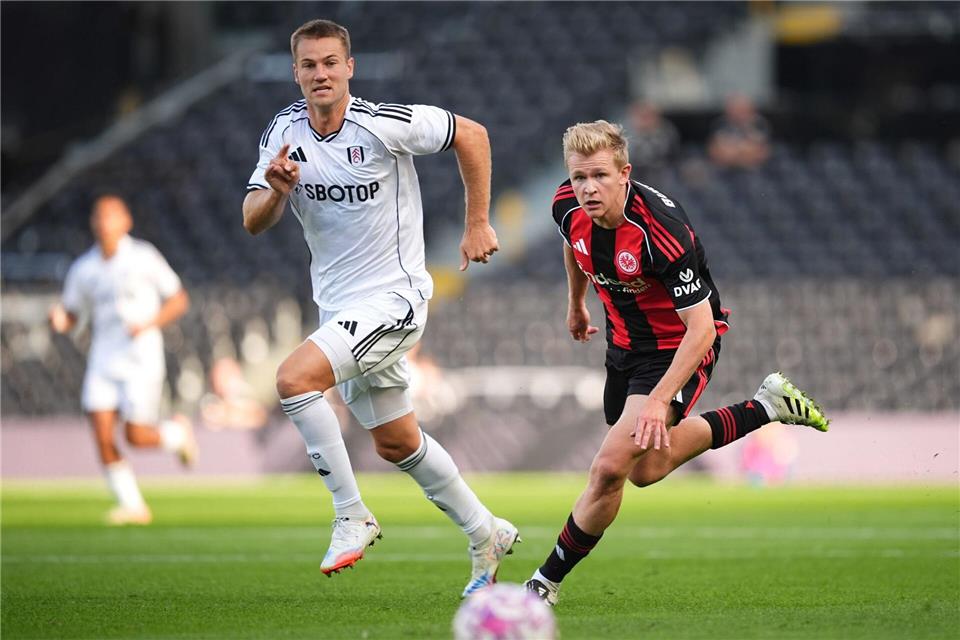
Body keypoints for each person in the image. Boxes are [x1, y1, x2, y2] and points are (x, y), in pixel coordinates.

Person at [242, 18, 518, 596]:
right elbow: (253, 221)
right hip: (341, 310)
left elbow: (473, 134)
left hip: (396, 299)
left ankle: (351, 514)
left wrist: (476, 222)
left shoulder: (381, 124)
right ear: (295, 73)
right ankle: (485, 531)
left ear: (350, 68)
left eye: (330, 62)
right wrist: (277, 189)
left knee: (294, 379)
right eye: (309, 65)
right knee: (396, 443)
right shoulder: (283, 132)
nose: (320, 73)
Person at [523, 121, 828, 606]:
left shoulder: (661, 231)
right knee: (646, 469)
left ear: (625, 173)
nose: (587, 188)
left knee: (608, 469)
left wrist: (659, 399)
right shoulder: (566, 204)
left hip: (678, 347)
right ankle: (766, 408)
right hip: (623, 348)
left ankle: (543, 584)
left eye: (600, 176)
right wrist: (575, 303)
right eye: (579, 177)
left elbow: (702, 328)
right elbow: (572, 242)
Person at [48, 195, 197, 526]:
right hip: (103, 357)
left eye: (111, 216)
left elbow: (178, 299)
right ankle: (133, 506)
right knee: (101, 433)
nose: (104, 223)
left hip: (140, 357)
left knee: (136, 436)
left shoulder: (143, 257)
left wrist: (148, 324)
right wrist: (61, 319)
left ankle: (176, 434)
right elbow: (72, 313)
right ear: (93, 223)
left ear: (126, 222)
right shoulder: (84, 269)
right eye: (99, 217)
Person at [707, 93, 771, 169]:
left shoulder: (759, 123)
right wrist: (741, 152)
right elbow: (715, 151)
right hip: (723, 168)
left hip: (754, 168)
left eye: (742, 108)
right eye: (734, 108)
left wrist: (735, 152)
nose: (738, 112)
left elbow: (761, 152)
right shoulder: (720, 123)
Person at [628, 101, 679, 182]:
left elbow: (670, 155)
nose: (645, 121)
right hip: (633, 173)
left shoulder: (666, 131)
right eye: (642, 117)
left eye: (648, 116)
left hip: (660, 173)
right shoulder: (624, 132)